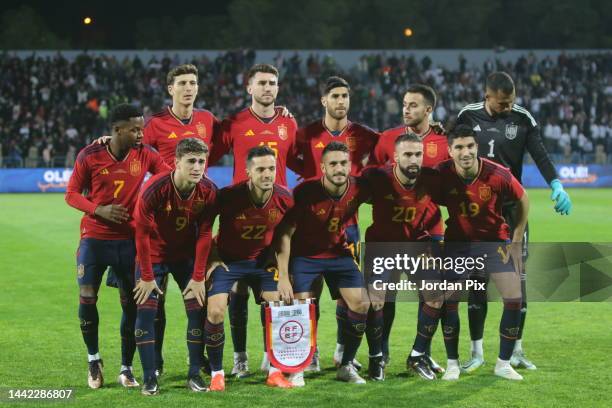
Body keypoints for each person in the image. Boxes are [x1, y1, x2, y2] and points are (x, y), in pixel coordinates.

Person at [455, 72, 571, 372]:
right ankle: (476, 352)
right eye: (503, 103)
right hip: (478, 211)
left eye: (512, 102)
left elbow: (540, 154)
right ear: (488, 96)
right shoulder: (467, 115)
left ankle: (516, 350)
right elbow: (453, 153)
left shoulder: (522, 119)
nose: (509, 107)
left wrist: (556, 183)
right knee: (477, 280)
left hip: (511, 209)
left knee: (518, 279)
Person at [65, 104, 170, 389]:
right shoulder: (90, 155)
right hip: (95, 239)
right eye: (135, 129)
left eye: (142, 128)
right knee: (87, 295)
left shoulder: (146, 154)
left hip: (129, 240)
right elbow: (71, 194)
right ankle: (93, 359)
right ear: (116, 130)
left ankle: (126, 368)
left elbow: (167, 176)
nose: (140, 134)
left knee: (131, 303)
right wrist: (99, 210)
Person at [208, 63, 302, 377]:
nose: (267, 88)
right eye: (261, 83)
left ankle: (273, 355)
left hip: (277, 215)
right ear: (249, 87)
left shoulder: (289, 123)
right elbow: (205, 155)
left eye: (272, 83)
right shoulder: (234, 123)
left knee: (279, 289)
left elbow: (303, 161)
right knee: (238, 293)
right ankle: (239, 357)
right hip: (240, 213)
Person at [433, 124, 529, 380]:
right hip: (458, 244)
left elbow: (523, 198)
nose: (466, 152)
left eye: (470, 146)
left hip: (493, 243)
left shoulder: (497, 173)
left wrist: (517, 237)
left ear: (477, 147)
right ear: (450, 151)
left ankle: (503, 364)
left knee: (513, 295)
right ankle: (452, 364)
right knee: (449, 299)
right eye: (460, 147)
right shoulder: (440, 174)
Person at [295, 76, 379, 371]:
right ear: (324, 100)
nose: (341, 101)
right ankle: (311, 351)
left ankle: (344, 350)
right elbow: (291, 160)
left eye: (345, 96)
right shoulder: (305, 134)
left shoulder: (366, 135)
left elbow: (384, 154)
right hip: (311, 222)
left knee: (347, 297)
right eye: (335, 96)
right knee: (310, 291)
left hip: (348, 225)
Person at [274, 141, 372, 385]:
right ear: (323, 167)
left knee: (361, 304)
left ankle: (346, 364)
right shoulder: (305, 192)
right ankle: (299, 365)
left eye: (343, 163)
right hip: (305, 257)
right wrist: (283, 276)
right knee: (301, 308)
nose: (339, 168)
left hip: (339, 255)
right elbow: (284, 233)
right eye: (333, 164)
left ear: (350, 165)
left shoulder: (358, 188)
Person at [371, 84, 449, 370]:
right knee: (384, 294)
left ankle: (421, 352)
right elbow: (372, 179)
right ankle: (381, 350)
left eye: (413, 105)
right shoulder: (387, 139)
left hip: (428, 231)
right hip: (390, 233)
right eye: (405, 104)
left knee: (431, 294)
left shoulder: (444, 141)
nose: (406, 109)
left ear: (428, 109)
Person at [204, 146, 295, 391]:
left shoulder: (284, 199)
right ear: (248, 172)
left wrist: (284, 276)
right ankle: (217, 374)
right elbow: (203, 226)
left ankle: (275, 372)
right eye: (261, 169)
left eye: (271, 169)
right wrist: (211, 258)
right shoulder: (228, 196)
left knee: (278, 304)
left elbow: (284, 237)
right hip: (228, 261)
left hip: (261, 262)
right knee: (215, 312)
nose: (267, 174)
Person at [132, 138, 217, 395]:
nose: (197, 166)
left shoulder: (209, 191)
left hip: (185, 258)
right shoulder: (154, 189)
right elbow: (142, 235)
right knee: (146, 312)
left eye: (201, 161)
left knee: (196, 310)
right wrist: (147, 277)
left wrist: (199, 276)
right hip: (153, 257)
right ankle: (149, 377)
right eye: (191, 161)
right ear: (176, 162)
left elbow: (205, 234)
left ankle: (194, 373)